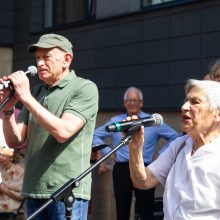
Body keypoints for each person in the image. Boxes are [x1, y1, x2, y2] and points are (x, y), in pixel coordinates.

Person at [0, 33, 99, 220]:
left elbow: (63, 131)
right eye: (37, 58)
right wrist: (8, 109)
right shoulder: (36, 92)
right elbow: (15, 140)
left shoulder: (84, 88)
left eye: (46, 57)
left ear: (66, 59)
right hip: (33, 190)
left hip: (67, 192)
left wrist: (26, 97)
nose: (39, 63)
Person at [128, 79, 220, 219]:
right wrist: (135, 149)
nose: (184, 107)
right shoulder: (180, 145)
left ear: (217, 114)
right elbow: (143, 181)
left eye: (195, 102)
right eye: (186, 100)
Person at [92, 86, 179, 220]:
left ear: (141, 103)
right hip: (121, 169)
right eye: (129, 100)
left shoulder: (151, 121)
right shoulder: (116, 121)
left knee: (146, 209)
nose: (132, 103)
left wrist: (161, 154)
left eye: (135, 100)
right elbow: (95, 135)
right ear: (124, 103)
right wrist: (108, 152)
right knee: (122, 209)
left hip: (145, 169)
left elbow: (175, 137)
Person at [0, 149, 24, 220]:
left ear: (12, 155)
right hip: (2, 211)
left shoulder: (19, 169)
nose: (0, 157)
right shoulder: (2, 170)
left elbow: (22, 195)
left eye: (3, 154)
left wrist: (4, 189)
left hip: (16, 212)